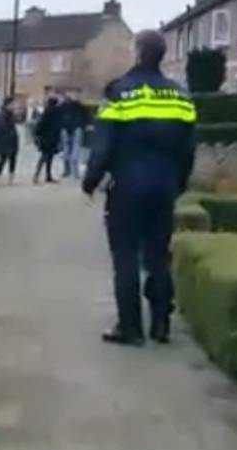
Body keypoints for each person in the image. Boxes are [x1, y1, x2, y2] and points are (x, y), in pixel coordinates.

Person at [82, 30, 198, 347]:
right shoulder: (181, 96)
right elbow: (189, 149)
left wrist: (90, 181)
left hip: (127, 188)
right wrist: (178, 184)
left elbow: (103, 145)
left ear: (137, 53)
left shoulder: (120, 92)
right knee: (158, 256)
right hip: (164, 187)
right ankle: (161, 322)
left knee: (126, 256)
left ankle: (130, 327)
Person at [0, 96, 20, 185]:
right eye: (12, 104)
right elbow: (2, 127)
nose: (14, 106)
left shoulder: (9, 113)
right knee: (3, 159)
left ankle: (10, 178)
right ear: (8, 104)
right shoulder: (3, 114)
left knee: (12, 159)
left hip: (11, 140)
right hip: (6, 141)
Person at [60, 91, 90, 179]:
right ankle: (75, 172)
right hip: (77, 128)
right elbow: (86, 115)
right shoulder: (78, 106)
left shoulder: (62, 107)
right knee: (76, 149)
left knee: (66, 149)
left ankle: (66, 171)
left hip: (65, 128)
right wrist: (85, 125)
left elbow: (58, 118)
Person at [33, 94, 62, 184]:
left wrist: (37, 135)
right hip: (52, 138)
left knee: (45, 157)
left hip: (46, 138)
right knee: (48, 158)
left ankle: (40, 175)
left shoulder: (47, 112)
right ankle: (43, 176)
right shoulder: (56, 113)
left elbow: (40, 125)